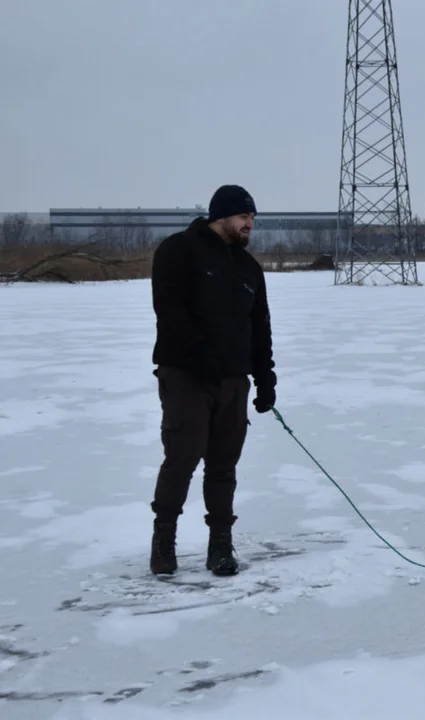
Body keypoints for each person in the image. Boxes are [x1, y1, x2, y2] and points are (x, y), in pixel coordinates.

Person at [148, 184, 278, 576]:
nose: (249, 225)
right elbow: (168, 310)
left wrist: (265, 376)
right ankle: (163, 542)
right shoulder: (179, 251)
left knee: (224, 466)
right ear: (220, 216)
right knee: (182, 458)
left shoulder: (248, 268)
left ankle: (220, 545)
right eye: (244, 217)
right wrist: (197, 356)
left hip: (233, 381)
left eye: (252, 219)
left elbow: (260, 327)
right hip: (186, 376)